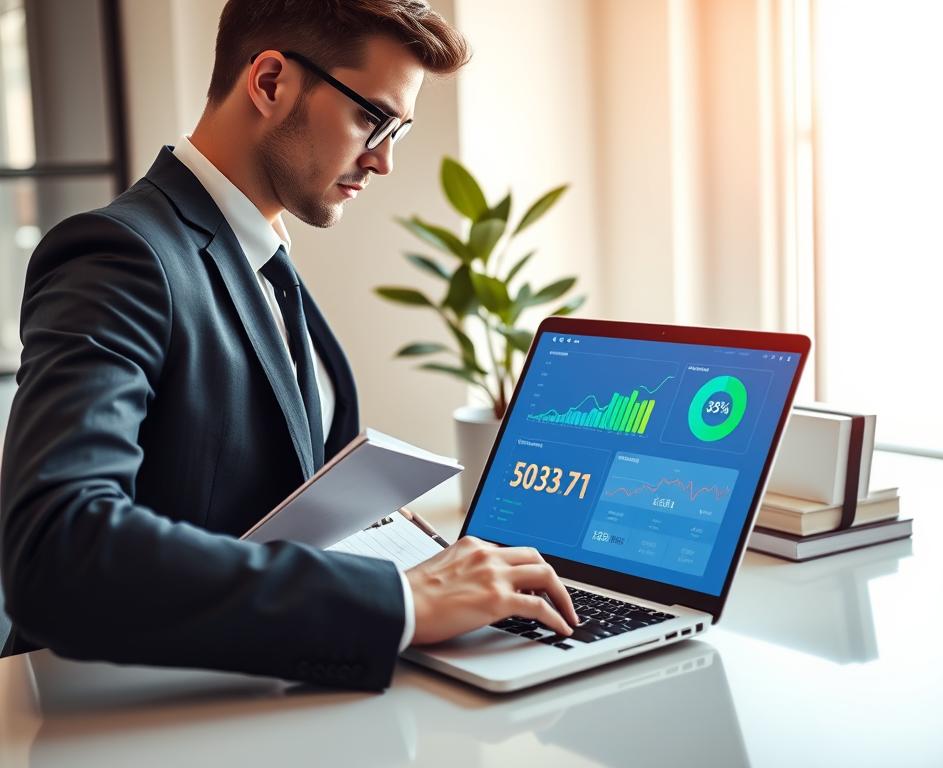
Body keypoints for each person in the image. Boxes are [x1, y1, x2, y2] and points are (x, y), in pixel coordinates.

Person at [0, 0, 578, 689]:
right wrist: (399, 601)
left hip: (262, 693)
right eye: (373, 118)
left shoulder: (266, 263)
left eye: (398, 130)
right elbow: (58, 548)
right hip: (114, 713)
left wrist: (410, 558)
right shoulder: (117, 255)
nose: (384, 160)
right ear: (270, 82)